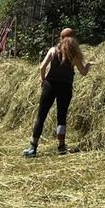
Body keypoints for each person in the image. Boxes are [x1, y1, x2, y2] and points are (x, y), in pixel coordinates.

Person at [23, 28, 91, 157]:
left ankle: (33, 148)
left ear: (61, 38)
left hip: (50, 86)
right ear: (73, 39)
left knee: (41, 116)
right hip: (66, 87)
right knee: (61, 117)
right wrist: (88, 65)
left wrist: (43, 80)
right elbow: (83, 72)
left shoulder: (53, 50)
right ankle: (61, 147)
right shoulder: (74, 54)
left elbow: (42, 67)